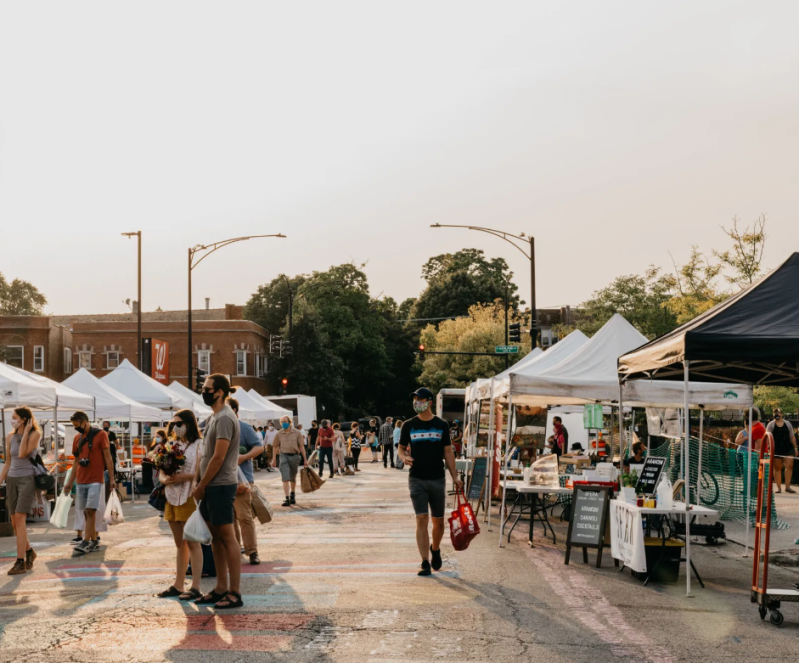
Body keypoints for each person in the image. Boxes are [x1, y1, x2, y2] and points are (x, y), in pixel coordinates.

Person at [191, 374, 243, 609]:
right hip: (211, 485)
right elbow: (206, 455)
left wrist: (202, 485)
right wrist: (199, 481)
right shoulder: (213, 417)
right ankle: (221, 587)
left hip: (220, 485)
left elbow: (219, 457)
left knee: (227, 536)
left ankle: (235, 591)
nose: (204, 391)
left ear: (220, 392)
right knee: (215, 538)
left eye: (207, 388)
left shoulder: (224, 418)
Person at [397, 388, 463, 577]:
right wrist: (403, 457)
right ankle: (425, 561)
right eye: (415, 399)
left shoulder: (441, 425)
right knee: (421, 518)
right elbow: (401, 449)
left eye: (420, 399)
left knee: (438, 522)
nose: (417, 402)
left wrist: (455, 477)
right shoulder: (408, 425)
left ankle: (435, 549)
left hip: (437, 478)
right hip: (416, 478)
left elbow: (448, 452)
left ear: (429, 402)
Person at [156, 409, 204, 601]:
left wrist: (185, 476)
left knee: (192, 541)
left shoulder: (199, 445)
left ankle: (196, 586)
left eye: (180, 423)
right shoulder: (170, 444)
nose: (176, 427)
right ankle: (178, 584)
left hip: (188, 496)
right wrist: (163, 479)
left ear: (189, 424)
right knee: (179, 543)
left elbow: (202, 472)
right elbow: (160, 470)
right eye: (174, 423)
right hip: (171, 495)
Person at [63, 412, 115, 555]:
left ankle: (86, 541)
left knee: (90, 510)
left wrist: (112, 478)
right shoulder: (77, 438)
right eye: (73, 426)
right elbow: (75, 462)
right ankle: (93, 540)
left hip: (96, 479)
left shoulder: (101, 435)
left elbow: (108, 457)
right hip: (81, 480)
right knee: (85, 512)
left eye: (77, 425)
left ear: (85, 421)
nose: (76, 428)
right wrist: (69, 482)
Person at [0, 407, 42, 575]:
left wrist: (24, 434)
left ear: (24, 419)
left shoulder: (35, 435)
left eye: (15, 417)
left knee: (19, 519)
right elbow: (8, 462)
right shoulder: (9, 437)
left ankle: (20, 561)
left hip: (27, 479)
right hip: (12, 478)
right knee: (14, 522)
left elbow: (23, 453)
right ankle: (30, 551)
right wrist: (1, 479)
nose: (12, 420)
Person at [227, 397, 264, 564]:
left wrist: (244, 457)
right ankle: (234, 549)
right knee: (229, 519)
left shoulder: (244, 428)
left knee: (244, 516)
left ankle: (252, 551)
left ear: (235, 410)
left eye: (227, 408)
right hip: (222, 481)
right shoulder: (213, 427)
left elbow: (259, 447)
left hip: (243, 480)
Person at [273, 415, 308, 506]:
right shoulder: (279, 433)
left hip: (295, 456)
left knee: (292, 476)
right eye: (282, 422)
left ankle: (292, 494)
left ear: (290, 422)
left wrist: (305, 459)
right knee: (285, 476)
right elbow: (275, 446)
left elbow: (301, 446)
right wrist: (273, 459)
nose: (284, 423)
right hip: (283, 455)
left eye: (285, 421)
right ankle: (287, 498)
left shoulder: (297, 432)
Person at [767, 408, 797, 494]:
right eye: (775, 413)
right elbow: (768, 437)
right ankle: (779, 487)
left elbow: (792, 436)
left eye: (778, 413)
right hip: (776, 449)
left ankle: (787, 486)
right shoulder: (771, 424)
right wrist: (769, 447)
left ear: (781, 414)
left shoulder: (788, 424)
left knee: (789, 466)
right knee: (777, 468)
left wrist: (795, 448)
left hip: (787, 448)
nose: (777, 415)